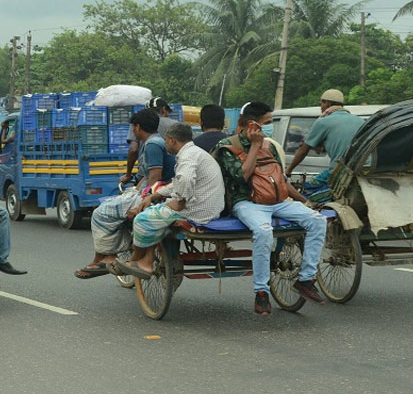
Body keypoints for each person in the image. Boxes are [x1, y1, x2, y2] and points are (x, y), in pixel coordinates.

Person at [213, 102, 327, 315]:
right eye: (267, 123)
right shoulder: (226, 146)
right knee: (264, 231)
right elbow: (243, 176)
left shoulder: (271, 146)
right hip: (246, 203)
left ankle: (306, 279)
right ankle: (261, 292)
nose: (269, 127)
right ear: (251, 124)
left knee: (317, 220)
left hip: (278, 201)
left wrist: (304, 201)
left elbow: (280, 180)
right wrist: (255, 146)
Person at [114, 123, 225, 277]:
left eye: (166, 140)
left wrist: (178, 201)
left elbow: (184, 180)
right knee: (155, 213)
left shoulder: (187, 157)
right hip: (210, 207)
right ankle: (147, 260)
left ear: (172, 140)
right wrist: (154, 195)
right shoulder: (195, 153)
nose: (165, 144)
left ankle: (136, 260)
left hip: (196, 211)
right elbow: (178, 182)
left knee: (142, 219)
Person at [75, 109, 175, 279]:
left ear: (137, 127)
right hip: (152, 190)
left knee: (100, 213)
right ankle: (103, 257)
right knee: (113, 204)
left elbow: (155, 177)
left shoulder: (152, 144)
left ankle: (106, 257)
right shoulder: (155, 142)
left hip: (155, 194)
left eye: (133, 127)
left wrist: (143, 200)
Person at [285, 89, 365, 202]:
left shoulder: (323, 122)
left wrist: (289, 170)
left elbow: (303, 150)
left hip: (338, 172)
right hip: (362, 170)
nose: (321, 107)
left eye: (321, 103)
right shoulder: (360, 121)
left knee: (305, 193)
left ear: (327, 103)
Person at [121, 97, 179, 185]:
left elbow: (133, 149)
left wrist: (128, 175)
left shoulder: (153, 144)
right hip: (173, 175)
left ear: (138, 127)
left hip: (156, 181)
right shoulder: (176, 125)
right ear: (163, 109)